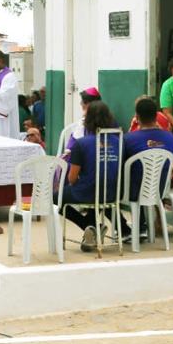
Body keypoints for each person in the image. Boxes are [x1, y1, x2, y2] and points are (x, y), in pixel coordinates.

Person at [59, 101, 129, 251]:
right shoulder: (120, 142)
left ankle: (90, 227)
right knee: (98, 187)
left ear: (88, 120)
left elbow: (71, 178)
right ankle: (93, 229)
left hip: (88, 192)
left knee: (54, 198)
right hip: (113, 194)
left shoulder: (81, 144)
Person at [124, 97, 173, 237]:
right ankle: (141, 226)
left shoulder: (128, 140)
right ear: (156, 115)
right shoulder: (171, 138)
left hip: (134, 192)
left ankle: (128, 230)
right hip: (160, 190)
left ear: (137, 117)